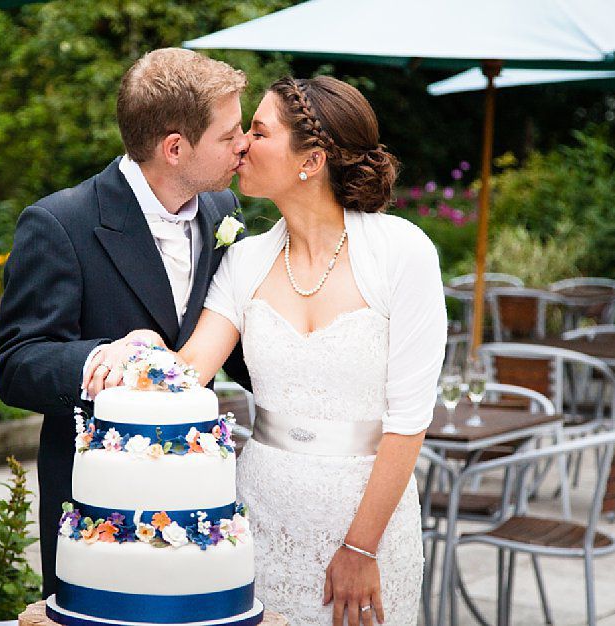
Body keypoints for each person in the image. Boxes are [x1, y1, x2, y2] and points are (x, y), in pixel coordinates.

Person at [88, 75, 446, 625]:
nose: (242, 144)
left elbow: (409, 420)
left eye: (258, 130)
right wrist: (146, 345)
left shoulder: (400, 252)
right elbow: (188, 372)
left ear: (312, 160)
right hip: (260, 519)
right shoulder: (245, 259)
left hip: (369, 524)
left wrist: (361, 548)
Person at [0, 48, 252, 599]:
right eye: (230, 135)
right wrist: (104, 358)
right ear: (175, 148)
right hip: (98, 511)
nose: (244, 144)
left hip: (200, 505)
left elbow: (230, 341)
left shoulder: (222, 209)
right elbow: (16, 365)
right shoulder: (60, 223)